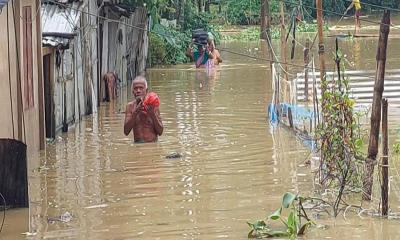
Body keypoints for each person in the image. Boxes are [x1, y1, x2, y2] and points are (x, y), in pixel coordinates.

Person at [124, 76, 163, 143]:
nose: (138, 91)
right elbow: (126, 132)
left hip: (152, 145)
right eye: (135, 88)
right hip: (137, 146)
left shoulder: (153, 106)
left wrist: (152, 114)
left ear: (146, 90)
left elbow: (160, 132)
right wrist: (135, 112)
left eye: (141, 88)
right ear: (133, 91)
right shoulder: (130, 106)